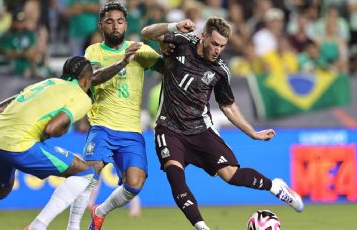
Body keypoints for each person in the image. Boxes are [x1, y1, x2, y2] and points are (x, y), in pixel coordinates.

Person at [141, 17, 304, 230]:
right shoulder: (181, 42)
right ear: (203, 36)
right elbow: (147, 32)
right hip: (168, 127)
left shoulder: (220, 70)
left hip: (201, 129)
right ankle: (202, 227)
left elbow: (228, 106)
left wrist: (252, 133)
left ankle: (275, 186)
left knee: (231, 176)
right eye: (215, 44)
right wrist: (173, 26)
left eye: (223, 46)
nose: (218, 50)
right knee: (175, 176)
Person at [0, 56, 97, 230]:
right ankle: (39, 226)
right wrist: (63, 129)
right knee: (86, 172)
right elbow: (52, 129)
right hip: (19, 144)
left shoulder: (44, 84)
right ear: (86, 81)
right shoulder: (81, 97)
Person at [66, 2, 163, 230]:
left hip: (131, 130)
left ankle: (100, 212)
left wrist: (173, 51)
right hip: (102, 126)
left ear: (126, 24)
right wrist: (122, 62)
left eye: (120, 21)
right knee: (90, 172)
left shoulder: (139, 50)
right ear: (101, 26)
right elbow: (94, 78)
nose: (115, 26)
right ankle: (72, 227)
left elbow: (166, 68)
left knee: (135, 184)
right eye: (109, 22)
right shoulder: (94, 51)